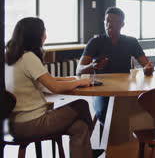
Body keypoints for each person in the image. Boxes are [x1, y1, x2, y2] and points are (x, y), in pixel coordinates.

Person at [5, 17, 103, 158]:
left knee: (80, 127)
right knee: (81, 104)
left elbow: (46, 80)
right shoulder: (28, 57)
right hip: (32, 123)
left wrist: (71, 79)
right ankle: (90, 149)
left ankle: (88, 152)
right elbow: (54, 87)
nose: (45, 34)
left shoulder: (11, 57)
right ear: (35, 35)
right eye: (43, 30)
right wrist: (79, 82)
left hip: (15, 124)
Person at [77, 7, 154, 125]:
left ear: (122, 24)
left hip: (126, 87)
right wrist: (93, 66)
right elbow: (79, 70)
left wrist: (148, 69)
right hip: (102, 89)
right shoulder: (95, 42)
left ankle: (137, 139)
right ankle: (109, 141)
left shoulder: (131, 41)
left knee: (145, 108)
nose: (109, 24)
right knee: (105, 113)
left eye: (114, 21)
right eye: (107, 21)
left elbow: (146, 65)